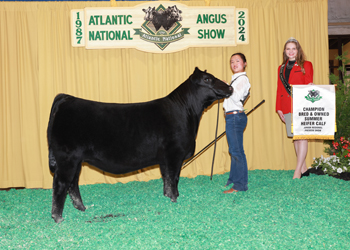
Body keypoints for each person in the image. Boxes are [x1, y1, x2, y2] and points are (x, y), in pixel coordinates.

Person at [276, 37, 314, 179]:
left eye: (293, 48)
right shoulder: (281, 68)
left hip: (301, 104)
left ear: (298, 50)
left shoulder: (306, 65)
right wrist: (278, 107)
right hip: (286, 105)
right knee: (295, 137)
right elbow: (279, 89)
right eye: (288, 49)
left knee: (302, 136)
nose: (291, 51)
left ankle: (297, 170)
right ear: (285, 51)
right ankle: (303, 168)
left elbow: (309, 83)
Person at [223, 53, 251, 193]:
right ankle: (234, 179)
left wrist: (226, 88)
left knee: (237, 151)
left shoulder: (242, 79)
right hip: (232, 117)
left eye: (237, 61)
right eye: (232, 61)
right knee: (234, 150)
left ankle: (240, 185)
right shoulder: (236, 80)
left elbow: (236, 96)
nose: (234, 63)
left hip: (235, 117)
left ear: (244, 63)